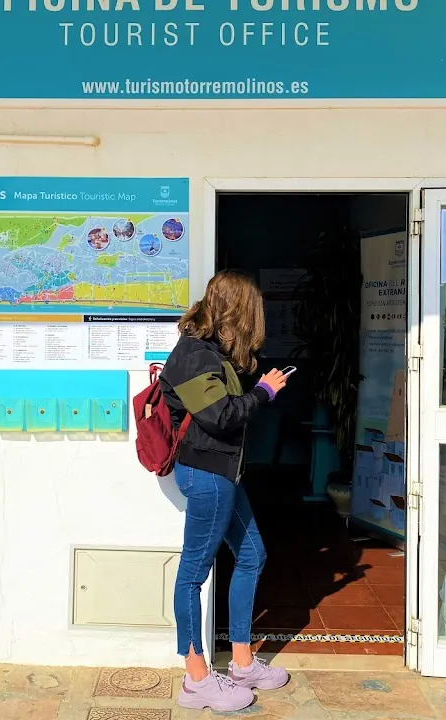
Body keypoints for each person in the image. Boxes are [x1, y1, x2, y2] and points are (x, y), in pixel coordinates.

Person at [159, 269, 290, 713]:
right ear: (236, 311)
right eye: (253, 313)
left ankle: (242, 663)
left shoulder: (211, 352)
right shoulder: (194, 355)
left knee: (252, 555)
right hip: (207, 475)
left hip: (222, 474)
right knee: (193, 573)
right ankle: (196, 679)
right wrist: (264, 392)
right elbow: (221, 416)